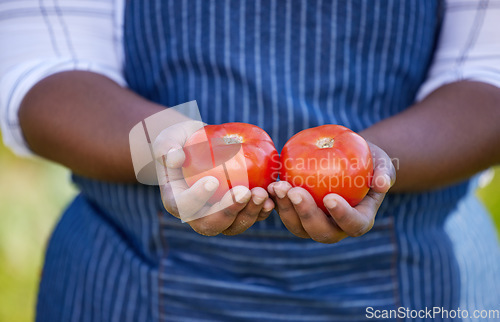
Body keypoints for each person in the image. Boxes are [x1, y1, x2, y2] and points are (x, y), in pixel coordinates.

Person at [1, 0, 499, 321]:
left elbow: (487, 77)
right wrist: (174, 149)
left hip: (420, 279)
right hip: (129, 277)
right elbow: (45, 68)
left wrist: (374, 165)